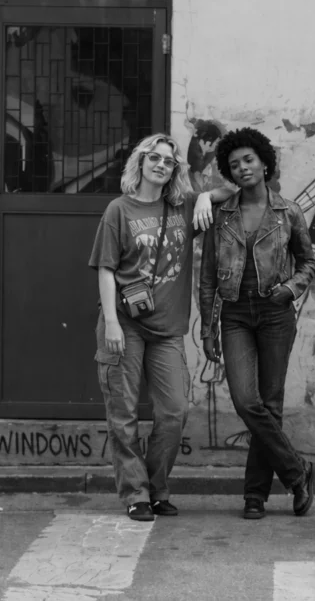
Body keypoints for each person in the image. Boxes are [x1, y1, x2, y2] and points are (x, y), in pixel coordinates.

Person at [89, 133, 231, 522]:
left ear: (174, 171)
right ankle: (136, 494)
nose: (161, 165)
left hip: (167, 329)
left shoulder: (183, 206)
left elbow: (233, 188)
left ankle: (155, 487)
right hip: (125, 325)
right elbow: (105, 268)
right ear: (140, 161)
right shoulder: (119, 210)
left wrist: (204, 196)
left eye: (169, 162)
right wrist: (112, 324)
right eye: (154, 157)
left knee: (174, 411)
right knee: (124, 413)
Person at [199, 127, 315, 519]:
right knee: (246, 401)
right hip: (235, 314)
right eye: (234, 165)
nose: (243, 168)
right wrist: (206, 327)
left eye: (249, 160)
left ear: (264, 163)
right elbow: (207, 277)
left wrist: (291, 289)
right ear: (229, 173)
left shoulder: (289, 212)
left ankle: (255, 496)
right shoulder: (222, 214)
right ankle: (297, 471)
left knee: (269, 404)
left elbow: (308, 262)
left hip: (275, 314)